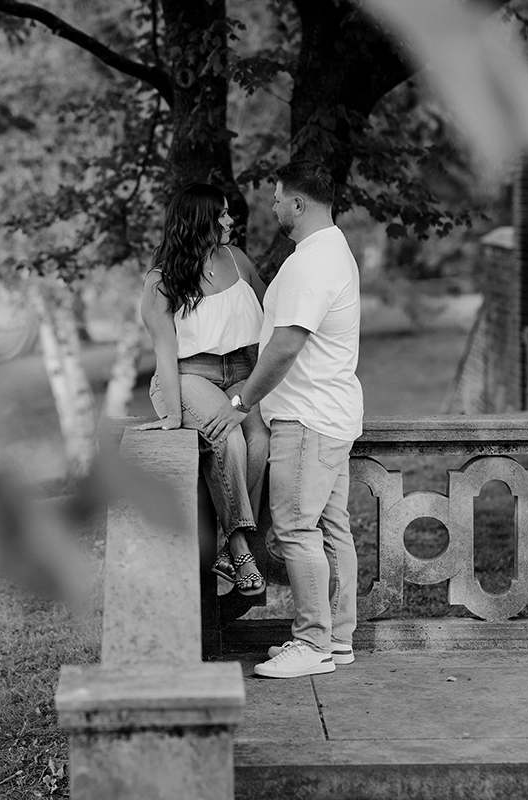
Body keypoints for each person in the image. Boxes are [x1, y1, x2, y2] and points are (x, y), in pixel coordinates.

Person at [205, 161, 363, 678]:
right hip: (331, 413)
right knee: (331, 529)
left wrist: (240, 402)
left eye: (277, 199)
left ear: (298, 203)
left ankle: (313, 642)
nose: (272, 207)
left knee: (295, 529)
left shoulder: (310, 263)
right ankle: (337, 639)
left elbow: (285, 347)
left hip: (306, 418)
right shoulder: (331, 251)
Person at [138, 183, 271, 596]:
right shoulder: (161, 281)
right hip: (189, 374)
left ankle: (226, 546)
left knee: (260, 439)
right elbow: (165, 353)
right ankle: (240, 548)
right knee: (228, 437)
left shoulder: (238, 260)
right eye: (222, 214)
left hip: (242, 370)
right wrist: (172, 414)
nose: (230, 220)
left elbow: (273, 319)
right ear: (200, 221)